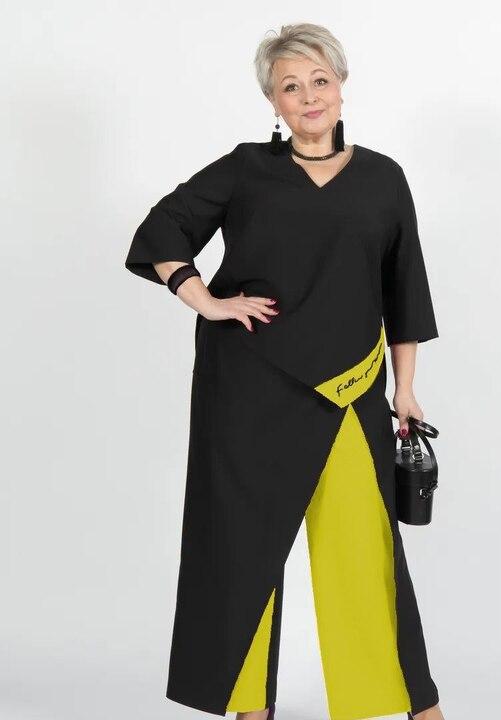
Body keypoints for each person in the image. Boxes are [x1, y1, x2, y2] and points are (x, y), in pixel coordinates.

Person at [125, 22, 445, 720]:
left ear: (341, 85)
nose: (308, 97)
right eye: (290, 87)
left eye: (319, 81)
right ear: (273, 102)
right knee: (242, 549)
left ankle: (412, 706)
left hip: (351, 389)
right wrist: (204, 298)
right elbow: (161, 229)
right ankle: (250, 708)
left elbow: (405, 289)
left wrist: (405, 387)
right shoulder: (246, 169)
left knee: (365, 547)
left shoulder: (383, 178)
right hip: (248, 386)